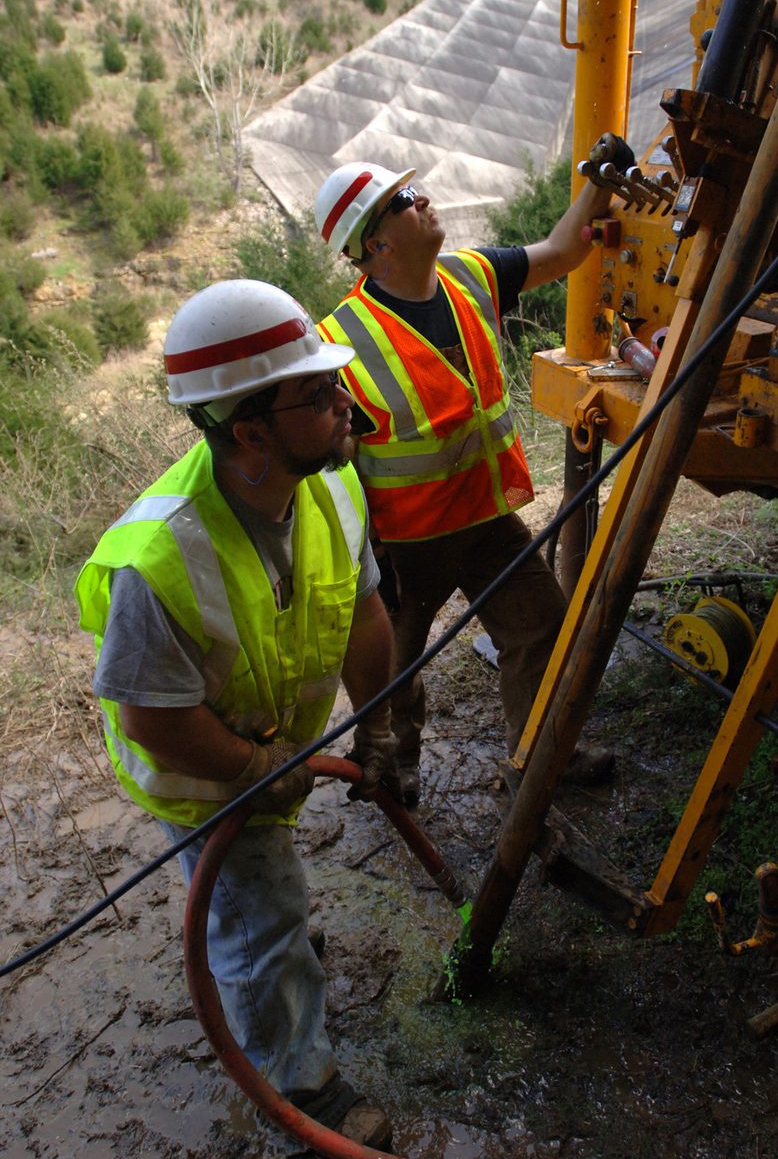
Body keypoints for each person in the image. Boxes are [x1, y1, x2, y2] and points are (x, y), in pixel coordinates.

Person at [75, 280, 398, 1152]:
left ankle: (267, 954)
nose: (345, 405)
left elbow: (366, 615)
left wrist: (381, 726)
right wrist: (253, 770)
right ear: (248, 431)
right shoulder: (158, 559)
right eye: (318, 395)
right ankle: (301, 1090)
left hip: (273, 748)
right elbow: (151, 718)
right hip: (203, 772)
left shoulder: (330, 489)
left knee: (264, 905)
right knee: (259, 917)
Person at [315, 141, 631, 805]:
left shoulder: (471, 275)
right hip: (406, 545)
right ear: (376, 246)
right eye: (404, 201)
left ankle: (542, 756)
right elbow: (334, 467)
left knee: (541, 625)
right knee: (394, 670)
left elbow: (562, 250)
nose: (423, 199)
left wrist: (598, 183)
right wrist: (367, 560)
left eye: (415, 190)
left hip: (486, 520)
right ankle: (392, 772)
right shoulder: (340, 341)